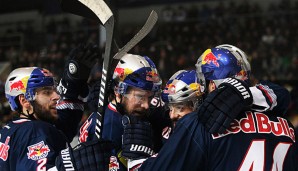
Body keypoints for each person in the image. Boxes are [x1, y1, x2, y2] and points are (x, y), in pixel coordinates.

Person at [123, 44, 297, 170]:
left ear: (213, 86)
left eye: (203, 81)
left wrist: (136, 160)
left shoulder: (202, 124)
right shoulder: (285, 125)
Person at [0, 43, 98, 170]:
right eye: (46, 92)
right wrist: (78, 165)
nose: (56, 96)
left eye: (54, 90)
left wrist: (72, 86)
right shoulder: (34, 131)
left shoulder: (11, 129)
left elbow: (61, 130)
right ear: (24, 100)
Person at [76, 53, 165, 170]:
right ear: (118, 91)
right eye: (140, 97)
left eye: (149, 97)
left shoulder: (125, 113)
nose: (146, 105)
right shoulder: (109, 128)